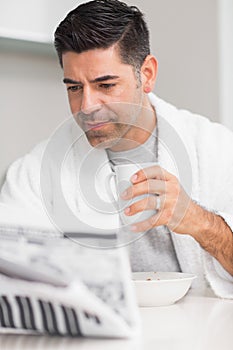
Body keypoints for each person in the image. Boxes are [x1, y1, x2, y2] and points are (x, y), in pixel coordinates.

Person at [0, 0, 233, 297]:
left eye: (106, 85)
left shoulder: (217, 149)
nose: (87, 106)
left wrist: (200, 222)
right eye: (74, 87)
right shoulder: (35, 173)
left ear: (146, 74)